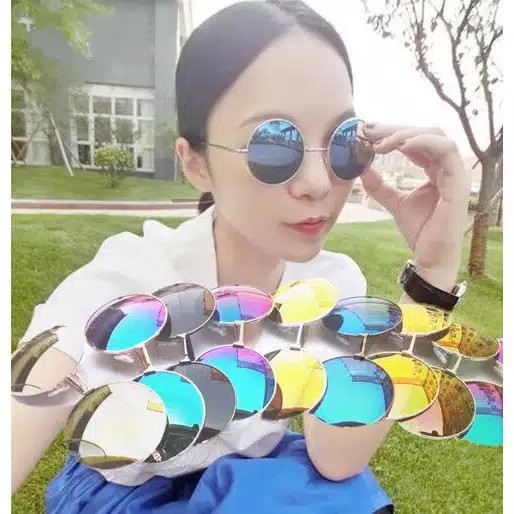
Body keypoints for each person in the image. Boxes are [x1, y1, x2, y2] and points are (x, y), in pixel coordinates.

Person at [11, 1, 470, 512]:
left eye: (343, 143)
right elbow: (34, 387)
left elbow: (337, 460)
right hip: (128, 495)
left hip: (250, 483)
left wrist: (432, 273)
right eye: (273, 145)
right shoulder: (137, 276)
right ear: (196, 163)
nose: (319, 183)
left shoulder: (331, 282)